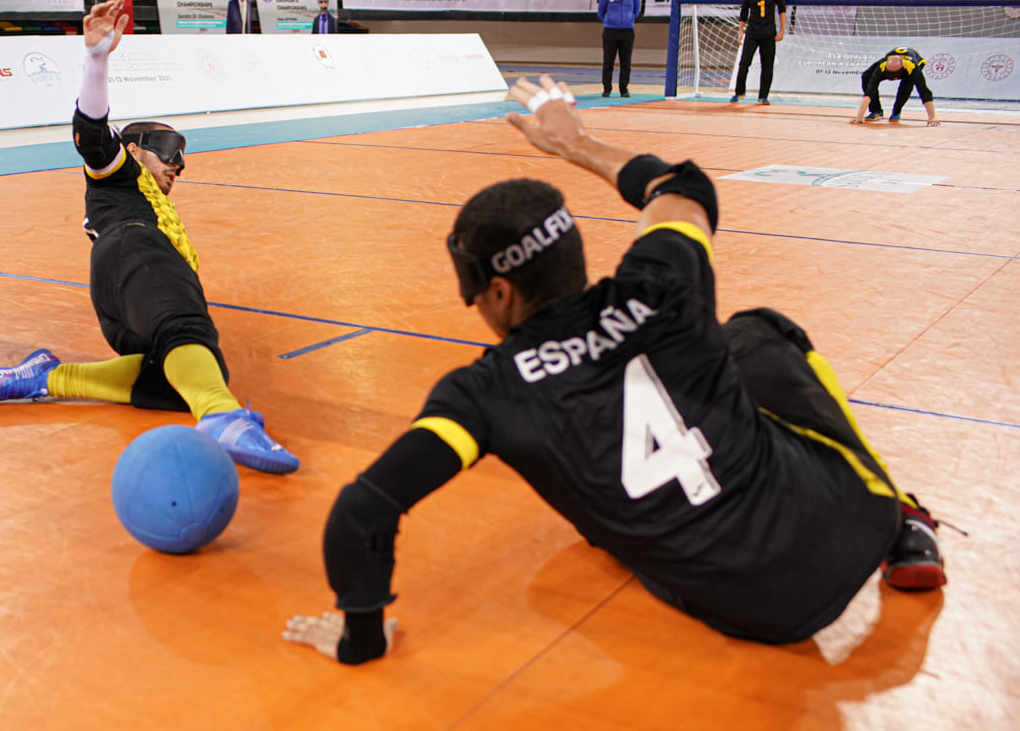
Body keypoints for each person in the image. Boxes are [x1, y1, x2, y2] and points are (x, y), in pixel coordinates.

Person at [283, 75, 948, 664]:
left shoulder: (483, 393)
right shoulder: (662, 285)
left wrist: (359, 635)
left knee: (627, 502)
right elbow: (683, 188)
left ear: (500, 293)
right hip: (856, 521)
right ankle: (904, 519)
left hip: (764, 614)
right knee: (754, 333)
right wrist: (574, 143)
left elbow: (361, 511)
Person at [0, 0, 298, 475]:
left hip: (127, 296)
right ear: (135, 149)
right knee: (190, 338)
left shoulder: (160, 210)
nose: (176, 165)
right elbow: (92, 135)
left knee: (187, 374)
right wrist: (97, 59)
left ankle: (50, 377)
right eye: (168, 152)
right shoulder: (119, 175)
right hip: (136, 254)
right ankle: (223, 417)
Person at [851, 47, 940, 126]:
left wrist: (932, 117)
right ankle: (876, 111)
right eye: (889, 74)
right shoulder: (881, 67)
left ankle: (896, 111)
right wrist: (859, 117)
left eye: (894, 75)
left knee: (907, 85)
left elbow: (924, 91)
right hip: (891, 60)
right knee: (866, 76)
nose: (893, 79)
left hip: (912, 63)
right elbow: (869, 92)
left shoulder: (912, 68)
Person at [730, 0, 786, 105]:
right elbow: (744, 11)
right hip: (752, 33)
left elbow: (782, 9)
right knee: (744, 63)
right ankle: (739, 92)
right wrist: (740, 31)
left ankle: (763, 96)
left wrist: (782, 30)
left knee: (767, 66)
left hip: (769, 34)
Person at [597, 0, 641, 98]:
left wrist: (630, 19)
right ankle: (607, 89)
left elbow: (636, 10)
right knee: (608, 62)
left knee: (626, 63)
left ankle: (624, 89)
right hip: (610, 31)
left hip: (627, 31)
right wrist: (609, 20)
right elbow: (601, 11)